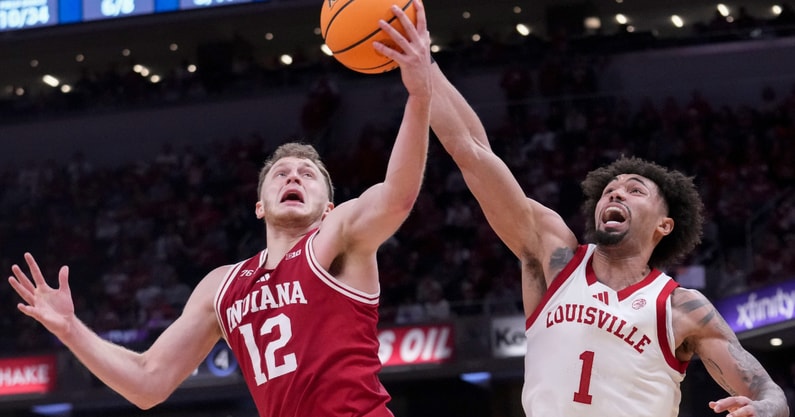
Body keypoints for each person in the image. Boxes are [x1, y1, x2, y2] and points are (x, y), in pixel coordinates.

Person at [7, 3, 432, 417]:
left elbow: (397, 196)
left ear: (329, 208)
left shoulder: (339, 238)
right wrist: (70, 330)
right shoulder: (222, 287)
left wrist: (417, 96)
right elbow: (148, 382)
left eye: (308, 174)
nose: (293, 178)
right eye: (280, 173)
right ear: (259, 206)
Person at [428, 62, 789, 416]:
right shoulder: (555, 256)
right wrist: (424, 66)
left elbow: (766, 391)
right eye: (609, 190)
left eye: (635, 190)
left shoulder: (681, 308)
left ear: (664, 225)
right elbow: (473, 152)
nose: (615, 194)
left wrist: (766, 408)